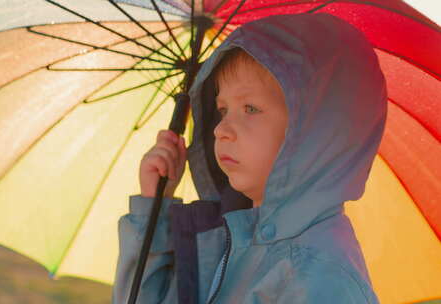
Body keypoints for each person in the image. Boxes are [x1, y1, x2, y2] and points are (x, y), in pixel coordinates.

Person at [112, 12, 386, 304]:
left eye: (250, 108)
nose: (220, 130)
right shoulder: (224, 239)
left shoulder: (321, 278)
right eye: (222, 110)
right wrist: (155, 205)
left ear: (315, 129)